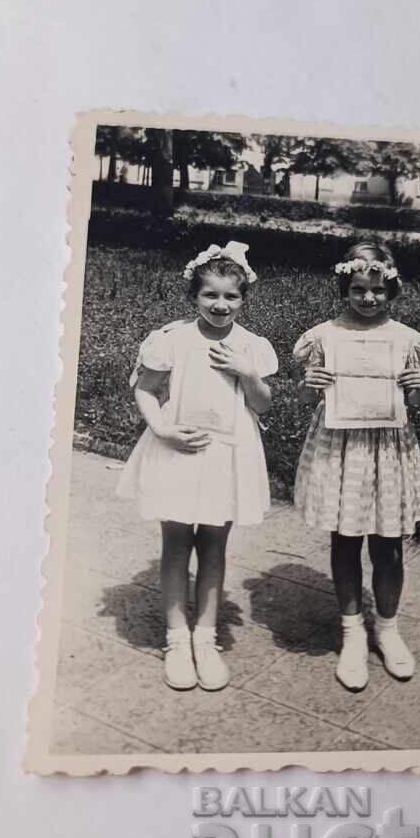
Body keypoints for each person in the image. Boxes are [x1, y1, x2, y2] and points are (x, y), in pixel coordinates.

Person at [117, 241, 277, 692]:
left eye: (231, 296)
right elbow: (146, 390)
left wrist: (247, 372)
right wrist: (162, 428)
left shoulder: (250, 346)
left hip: (227, 455)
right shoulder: (173, 340)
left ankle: (205, 638)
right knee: (175, 544)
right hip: (178, 450)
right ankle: (176, 638)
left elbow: (262, 405)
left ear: (244, 298)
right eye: (210, 295)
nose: (221, 305)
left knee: (213, 545)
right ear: (194, 296)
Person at [293, 240, 420, 691]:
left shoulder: (406, 340)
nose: (368, 298)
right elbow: (304, 396)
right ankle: (352, 631)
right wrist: (308, 384)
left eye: (377, 290)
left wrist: (418, 386)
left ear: (391, 291)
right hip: (340, 445)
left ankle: (388, 629)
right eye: (358, 289)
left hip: (388, 446)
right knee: (346, 536)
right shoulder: (324, 337)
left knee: (388, 542)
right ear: (345, 288)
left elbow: (416, 402)